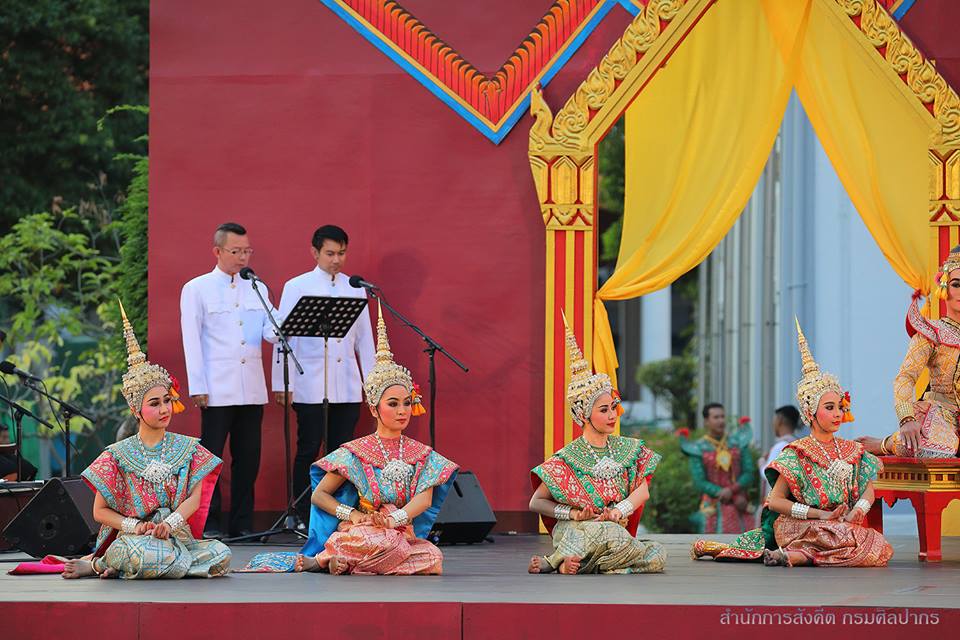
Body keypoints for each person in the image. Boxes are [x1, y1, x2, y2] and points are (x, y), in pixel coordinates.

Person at [239, 303, 457, 574]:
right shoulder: (356, 451)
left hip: (401, 532)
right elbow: (320, 495)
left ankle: (340, 561)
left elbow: (424, 501)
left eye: (407, 403)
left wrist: (393, 520)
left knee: (432, 557)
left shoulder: (421, 453)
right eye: (393, 404)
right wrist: (352, 515)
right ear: (374, 409)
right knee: (370, 541)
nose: (402, 411)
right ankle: (337, 558)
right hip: (365, 531)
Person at [691, 321, 893, 567]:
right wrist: (821, 514)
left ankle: (798, 556)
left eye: (840, 407)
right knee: (831, 534)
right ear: (810, 412)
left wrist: (857, 510)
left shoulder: (853, 450)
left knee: (877, 545)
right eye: (830, 408)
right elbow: (775, 501)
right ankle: (797, 554)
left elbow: (868, 489)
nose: (838, 414)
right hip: (804, 524)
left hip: (843, 524)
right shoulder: (797, 453)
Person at [62, 302, 231, 579]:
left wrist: (170, 524)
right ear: (135, 410)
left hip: (175, 536)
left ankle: (126, 567)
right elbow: (99, 512)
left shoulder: (189, 448)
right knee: (141, 553)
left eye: (167, 400)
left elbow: (195, 499)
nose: (164, 409)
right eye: (154, 403)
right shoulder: (117, 454)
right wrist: (136, 526)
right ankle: (99, 564)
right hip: (135, 539)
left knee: (221, 554)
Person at [526, 317, 665, 575]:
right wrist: (573, 514)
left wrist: (617, 512)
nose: (612, 415)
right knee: (601, 532)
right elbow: (536, 502)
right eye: (604, 410)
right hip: (578, 530)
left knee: (657, 554)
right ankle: (556, 560)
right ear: (584, 415)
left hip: (614, 531)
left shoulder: (627, 449)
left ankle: (574, 564)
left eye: (613, 407)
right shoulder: (567, 458)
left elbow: (642, 492)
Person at [271, 225, 375, 523]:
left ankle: (340, 513)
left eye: (341, 253)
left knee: (343, 450)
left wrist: (373, 383)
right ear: (315, 252)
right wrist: (281, 383)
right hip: (310, 383)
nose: (336, 260)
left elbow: (365, 339)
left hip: (346, 383)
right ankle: (304, 513)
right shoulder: (297, 286)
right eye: (330, 253)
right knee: (309, 447)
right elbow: (283, 338)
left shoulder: (354, 287)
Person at [180, 222, 277, 538]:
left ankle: (242, 524)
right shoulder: (197, 288)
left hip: (251, 388)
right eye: (236, 251)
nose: (243, 257)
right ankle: (210, 522)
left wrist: (286, 326)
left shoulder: (256, 287)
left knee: (248, 459)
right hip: (217, 388)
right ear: (218, 251)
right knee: (211, 459)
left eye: (247, 251)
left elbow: (269, 330)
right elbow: (192, 339)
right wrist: (198, 385)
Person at [859, 246, 960, 459]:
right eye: (956, 284)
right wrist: (907, 418)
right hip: (942, 415)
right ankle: (887, 443)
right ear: (944, 286)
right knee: (933, 450)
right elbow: (905, 377)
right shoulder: (931, 332)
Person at [680, 403, 754, 534]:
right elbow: (699, 481)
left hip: (741, 503)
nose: (721, 420)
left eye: (722, 416)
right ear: (706, 421)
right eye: (716, 417)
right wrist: (721, 492)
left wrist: (731, 491)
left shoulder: (738, 443)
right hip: (713, 506)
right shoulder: (698, 448)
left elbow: (749, 472)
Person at [758, 405, 802, 495]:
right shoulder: (798, 445)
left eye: (774, 420)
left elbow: (769, 475)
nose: (773, 424)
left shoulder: (780, 446)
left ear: (780, 420)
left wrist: (761, 463)